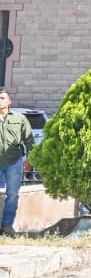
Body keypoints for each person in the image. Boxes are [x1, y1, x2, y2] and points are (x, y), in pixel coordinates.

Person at [0, 89, 34, 236]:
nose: (0, 100)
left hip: (13, 162)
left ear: (9, 101)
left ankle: (7, 226)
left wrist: (30, 159)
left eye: (2, 98)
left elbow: (29, 140)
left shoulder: (20, 119)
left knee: (13, 194)